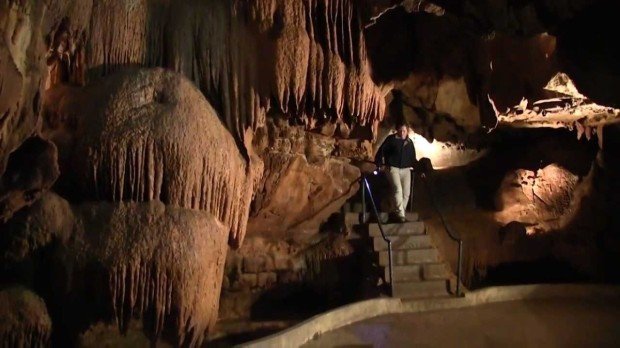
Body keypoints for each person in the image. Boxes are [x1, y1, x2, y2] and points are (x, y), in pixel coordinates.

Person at [374, 122, 417, 223]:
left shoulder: (410, 143)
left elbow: (413, 158)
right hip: (393, 168)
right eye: (400, 130)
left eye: (404, 131)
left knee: (406, 193)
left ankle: (399, 212)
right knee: (398, 190)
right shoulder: (391, 140)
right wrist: (380, 163)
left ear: (407, 132)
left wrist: (419, 169)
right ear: (397, 131)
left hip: (406, 169)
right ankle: (401, 215)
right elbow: (381, 151)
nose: (402, 133)